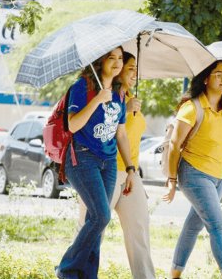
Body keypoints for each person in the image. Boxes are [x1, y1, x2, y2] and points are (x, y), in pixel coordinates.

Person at [163, 60, 222, 279]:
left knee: (192, 226)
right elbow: (175, 146)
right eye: (218, 74)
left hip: (220, 175)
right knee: (217, 224)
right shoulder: (192, 108)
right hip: (194, 173)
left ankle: (174, 274)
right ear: (205, 79)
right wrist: (172, 180)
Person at [55, 46, 135, 279]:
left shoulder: (119, 92)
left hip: (108, 161)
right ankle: (67, 268)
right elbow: (73, 125)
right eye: (111, 57)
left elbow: (120, 134)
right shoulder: (83, 86)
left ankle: (88, 274)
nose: (117, 62)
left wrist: (130, 168)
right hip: (82, 157)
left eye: (120, 58)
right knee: (102, 215)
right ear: (100, 61)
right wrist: (98, 100)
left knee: (96, 220)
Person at [78, 51, 156, 279]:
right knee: (93, 231)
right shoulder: (102, 96)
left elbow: (129, 138)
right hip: (103, 171)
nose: (134, 72)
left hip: (129, 174)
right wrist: (124, 109)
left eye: (134, 68)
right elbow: (96, 135)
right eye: (130, 67)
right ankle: (78, 274)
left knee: (139, 230)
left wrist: (132, 170)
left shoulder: (129, 97)